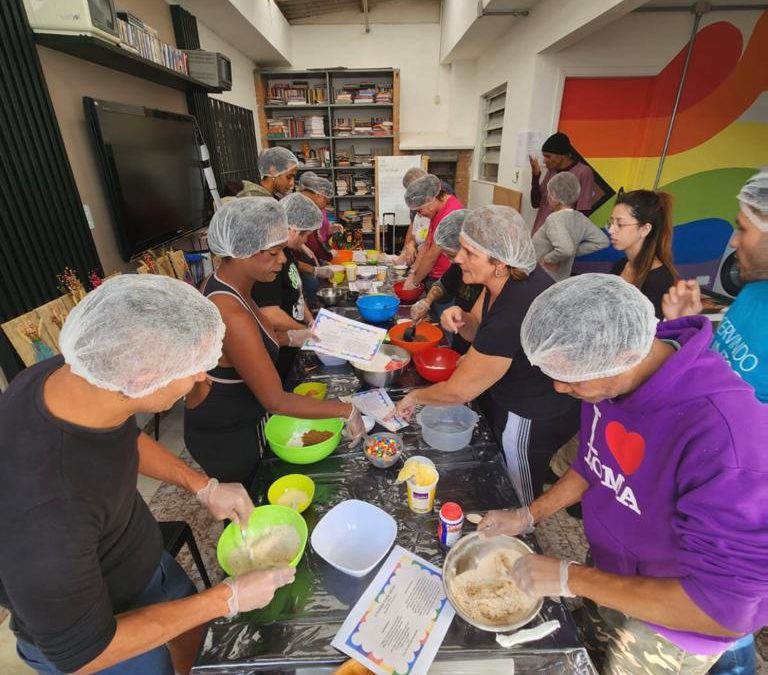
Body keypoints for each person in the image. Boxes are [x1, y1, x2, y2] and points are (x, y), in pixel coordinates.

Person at [0, 274, 296, 675]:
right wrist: (224, 598)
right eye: (193, 369)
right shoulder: (46, 512)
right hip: (103, 640)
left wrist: (200, 484)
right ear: (140, 381)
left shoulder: (78, 378)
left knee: (195, 650)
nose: (201, 378)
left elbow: (117, 435)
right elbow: (84, 653)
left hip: (142, 562)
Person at [478, 273, 768, 674]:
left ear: (625, 354)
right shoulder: (608, 382)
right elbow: (595, 463)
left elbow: (723, 609)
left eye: (570, 376)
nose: (560, 388)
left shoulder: (729, 438)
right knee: (590, 654)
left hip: (669, 627)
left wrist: (569, 578)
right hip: (608, 570)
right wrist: (530, 515)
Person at [396, 206, 580, 505]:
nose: (457, 259)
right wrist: (460, 318)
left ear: (500, 263)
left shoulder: (515, 308)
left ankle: (523, 526)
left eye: (469, 253)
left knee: (518, 485)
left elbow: (459, 390)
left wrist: (415, 397)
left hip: (534, 410)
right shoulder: (502, 284)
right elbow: (477, 329)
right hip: (516, 391)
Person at [663, 170, 768, 674]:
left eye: (743, 229)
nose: (733, 241)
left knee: (720, 625)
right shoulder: (754, 291)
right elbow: (719, 367)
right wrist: (693, 327)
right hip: (686, 476)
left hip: (735, 507)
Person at [185, 198, 364, 486]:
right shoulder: (230, 311)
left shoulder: (228, 283)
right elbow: (275, 400)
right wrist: (345, 409)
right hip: (226, 433)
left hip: (236, 417)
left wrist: (291, 337)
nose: (282, 259)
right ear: (241, 252)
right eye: (273, 252)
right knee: (247, 503)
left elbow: (244, 347)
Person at [251, 192, 323, 380]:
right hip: (278, 350)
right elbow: (270, 314)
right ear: (292, 229)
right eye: (305, 235)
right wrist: (301, 332)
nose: (306, 241)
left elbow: (297, 292)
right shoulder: (269, 262)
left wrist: (309, 321)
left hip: (292, 343)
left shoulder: (286, 253)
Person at [409, 208, 482, 354]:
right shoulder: (459, 266)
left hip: (478, 354)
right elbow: (443, 284)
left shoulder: (492, 283)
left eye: (452, 255)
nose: (454, 261)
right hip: (460, 342)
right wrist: (427, 302)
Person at [608, 188, 677, 318]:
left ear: (645, 229)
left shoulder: (659, 279)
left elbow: (648, 332)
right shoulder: (620, 265)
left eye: (620, 224)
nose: (611, 230)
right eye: (611, 222)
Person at [532, 171, 608, 281]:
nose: (547, 197)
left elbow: (566, 249)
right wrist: (575, 250)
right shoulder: (581, 218)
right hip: (560, 279)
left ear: (553, 196)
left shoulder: (554, 219)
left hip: (542, 278)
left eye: (548, 193)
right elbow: (602, 241)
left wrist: (547, 259)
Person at [402, 174, 463, 293]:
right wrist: (412, 272)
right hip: (432, 276)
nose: (419, 214)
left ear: (430, 200)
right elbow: (426, 245)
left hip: (446, 280)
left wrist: (413, 283)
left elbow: (431, 256)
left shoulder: (449, 213)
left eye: (420, 210)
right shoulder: (437, 211)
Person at [529, 132, 596, 233]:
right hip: (540, 234)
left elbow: (583, 211)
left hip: (560, 237)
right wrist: (535, 176)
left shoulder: (584, 172)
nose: (544, 160)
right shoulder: (551, 171)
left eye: (548, 156)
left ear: (562, 156)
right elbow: (535, 203)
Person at [298, 171, 342, 264]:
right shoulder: (301, 208)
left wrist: (330, 229)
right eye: (326, 201)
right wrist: (328, 256)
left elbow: (321, 230)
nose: (325, 206)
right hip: (305, 257)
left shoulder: (317, 207)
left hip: (318, 253)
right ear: (318, 194)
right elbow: (312, 242)